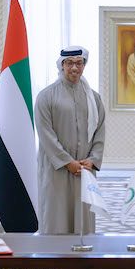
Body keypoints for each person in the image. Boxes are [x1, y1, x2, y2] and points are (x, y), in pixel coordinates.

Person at [35, 46, 106, 234]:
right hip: (56, 171)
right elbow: (45, 135)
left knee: (84, 222)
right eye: (69, 63)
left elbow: (100, 132)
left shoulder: (94, 98)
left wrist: (92, 159)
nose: (74, 68)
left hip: (85, 170)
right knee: (56, 219)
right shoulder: (46, 96)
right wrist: (68, 162)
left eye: (79, 63)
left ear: (84, 65)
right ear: (62, 65)